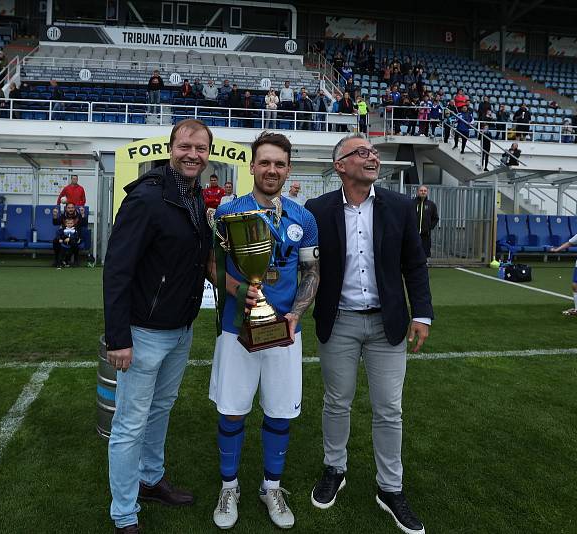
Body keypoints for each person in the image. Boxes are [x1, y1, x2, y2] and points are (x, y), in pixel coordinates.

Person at [305, 134, 433, 534]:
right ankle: (334, 468)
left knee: (389, 408)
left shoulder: (398, 205)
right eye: (361, 152)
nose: (372, 156)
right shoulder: (317, 209)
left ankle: (390, 488)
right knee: (337, 402)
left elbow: (415, 264)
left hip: (387, 324)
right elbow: (308, 269)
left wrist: (423, 314)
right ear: (340, 165)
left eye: (374, 152)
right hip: (338, 321)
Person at [103, 119, 214, 533]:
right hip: (143, 333)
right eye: (186, 146)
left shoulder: (195, 197)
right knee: (130, 423)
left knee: (160, 411)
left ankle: (150, 480)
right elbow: (117, 270)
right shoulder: (146, 198)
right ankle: (124, 513)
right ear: (171, 148)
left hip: (180, 330)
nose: (193, 154)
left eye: (200, 149)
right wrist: (119, 337)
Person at [210, 131, 320, 530]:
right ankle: (229, 487)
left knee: (279, 412)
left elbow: (311, 270)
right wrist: (241, 292)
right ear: (252, 166)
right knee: (233, 410)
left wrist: (296, 315)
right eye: (265, 162)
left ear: (288, 169)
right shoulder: (228, 212)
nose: (271, 169)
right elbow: (212, 266)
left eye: (279, 163)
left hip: (285, 332)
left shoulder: (302, 217)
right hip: (236, 328)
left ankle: (271, 486)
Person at [51, 201, 85, 267]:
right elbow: (55, 223)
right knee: (55, 241)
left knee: (74, 241)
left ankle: (75, 260)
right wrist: (55, 215)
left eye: (72, 207)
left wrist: (83, 214)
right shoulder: (63, 216)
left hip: (76, 236)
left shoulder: (78, 215)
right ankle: (57, 260)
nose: (70, 209)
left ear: (74, 208)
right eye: (69, 208)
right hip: (64, 236)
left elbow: (84, 224)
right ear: (66, 208)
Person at [415, 185, 439, 260]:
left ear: (427, 192)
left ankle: (424, 266)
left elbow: (435, 218)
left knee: (425, 253)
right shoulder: (411, 203)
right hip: (413, 233)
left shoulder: (431, 205)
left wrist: (429, 227)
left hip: (426, 235)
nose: (423, 192)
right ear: (417, 192)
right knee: (413, 251)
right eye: (421, 190)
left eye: (425, 191)